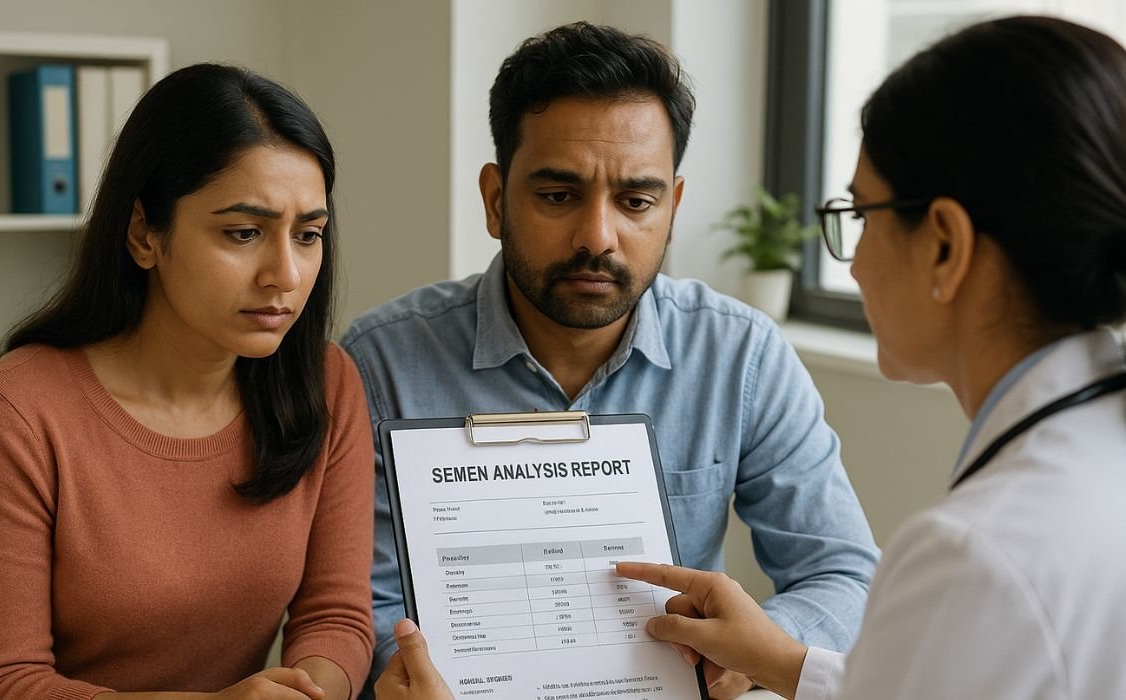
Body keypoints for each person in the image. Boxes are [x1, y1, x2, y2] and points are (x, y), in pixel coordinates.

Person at [342, 21, 879, 699]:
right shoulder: (380, 363)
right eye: (559, 196)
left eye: (636, 201)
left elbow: (845, 574)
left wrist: (755, 648)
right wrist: (398, 668)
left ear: (673, 208)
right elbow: (355, 605)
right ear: (494, 199)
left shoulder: (740, 356)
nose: (598, 236)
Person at [614, 14, 1126, 699]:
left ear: (944, 243)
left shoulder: (973, 555)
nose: (852, 267)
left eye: (859, 216)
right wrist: (784, 662)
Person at [0, 64, 374, 699]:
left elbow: (335, 618)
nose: (284, 273)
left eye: (308, 235)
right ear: (145, 233)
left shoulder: (325, 383)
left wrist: (306, 692)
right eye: (244, 233)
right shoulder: (17, 410)